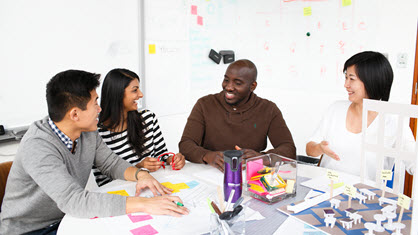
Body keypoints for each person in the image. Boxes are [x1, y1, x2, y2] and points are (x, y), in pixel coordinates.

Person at [0, 70, 188, 235]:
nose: (100, 108)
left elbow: (111, 163)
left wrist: (141, 175)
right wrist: (146, 204)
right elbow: (74, 200)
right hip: (32, 230)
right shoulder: (38, 146)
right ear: (75, 114)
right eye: (95, 103)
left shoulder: (87, 132)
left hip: (69, 218)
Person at [306, 51, 415, 179]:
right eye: (346, 78)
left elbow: (414, 162)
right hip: (325, 188)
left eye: (352, 79)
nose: (346, 85)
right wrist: (320, 148)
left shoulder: (393, 120)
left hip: (365, 196)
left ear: (372, 81)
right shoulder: (336, 109)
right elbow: (309, 149)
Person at [179, 59, 296, 172]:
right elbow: (186, 145)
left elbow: (288, 148)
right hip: (210, 172)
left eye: (238, 83)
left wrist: (262, 158)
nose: (229, 87)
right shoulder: (205, 104)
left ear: (253, 86)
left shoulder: (268, 109)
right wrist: (207, 156)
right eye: (226, 80)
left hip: (250, 176)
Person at [93, 68, 186, 186]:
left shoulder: (148, 118)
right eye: (135, 90)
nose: (140, 95)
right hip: (124, 196)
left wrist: (172, 160)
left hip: (155, 186)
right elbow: (104, 183)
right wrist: (138, 168)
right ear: (118, 94)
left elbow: (162, 156)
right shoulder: (96, 134)